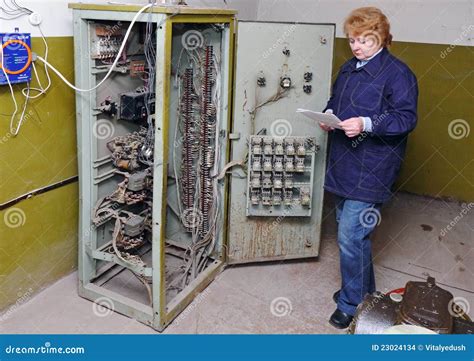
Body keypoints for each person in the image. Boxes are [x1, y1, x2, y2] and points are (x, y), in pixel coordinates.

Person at [320, 7, 418, 329]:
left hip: (373, 168)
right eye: (352, 40)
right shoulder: (349, 69)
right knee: (353, 236)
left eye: (364, 39)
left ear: (382, 38)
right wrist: (326, 115)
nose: (356, 46)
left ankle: (352, 305)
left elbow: (405, 118)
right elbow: (336, 101)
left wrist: (366, 123)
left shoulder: (398, 73)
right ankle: (366, 293)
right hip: (343, 164)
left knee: (350, 235)